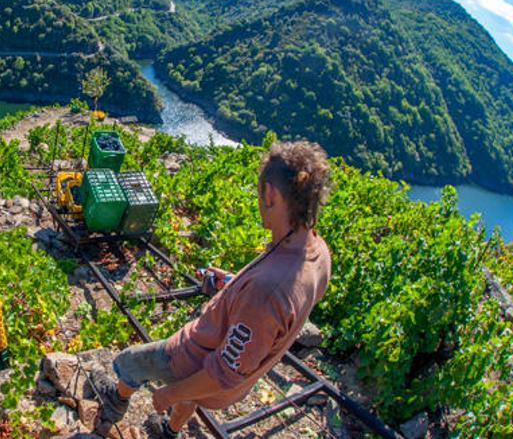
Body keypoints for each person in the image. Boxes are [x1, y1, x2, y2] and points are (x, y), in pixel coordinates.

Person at [93, 141, 333, 438]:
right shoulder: (316, 252)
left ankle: (115, 400)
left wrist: (169, 394)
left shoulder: (266, 292)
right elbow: (285, 306)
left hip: (194, 357)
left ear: (270, 194)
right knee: (192, 394)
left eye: (260, 194)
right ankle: (169, 430)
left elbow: (221, 372)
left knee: (131, 361)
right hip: (235, 372)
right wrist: (234, 286)